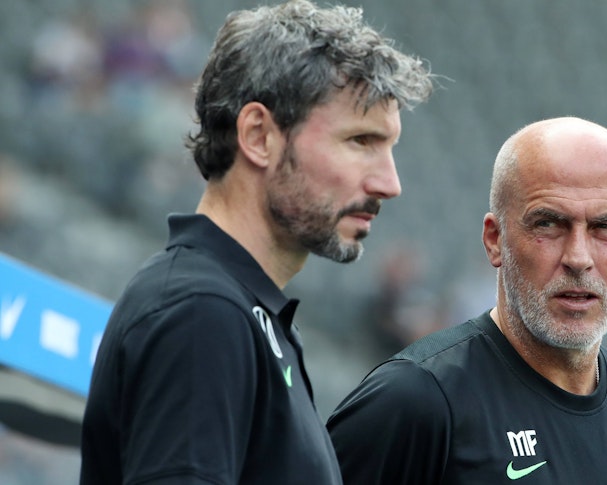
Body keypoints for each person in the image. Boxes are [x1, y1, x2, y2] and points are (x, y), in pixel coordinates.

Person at [80, 1, 433, 483]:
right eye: (360, 142)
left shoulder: (244, 315)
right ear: (259, 135)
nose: (389, 183)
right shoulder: (200, 312)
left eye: (388, 148)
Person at [327, 117, 607, 484]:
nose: (578, 257)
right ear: (495, 240)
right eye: (548, 224)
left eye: (605, 228)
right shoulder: (413, 400)